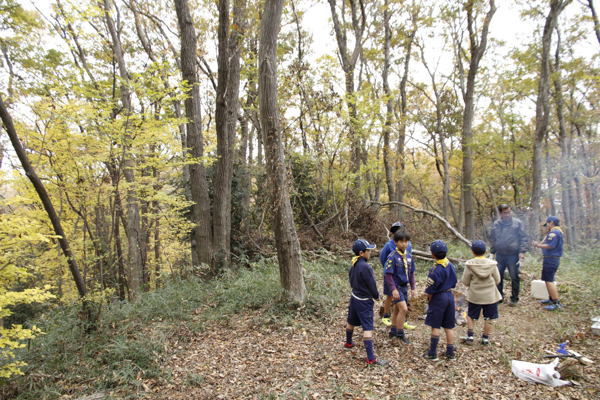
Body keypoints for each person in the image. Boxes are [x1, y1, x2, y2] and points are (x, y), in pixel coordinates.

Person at [344, 239, 389, 366]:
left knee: (351, 320)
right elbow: (372, 284)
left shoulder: (354, 263)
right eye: (368, 250)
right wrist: (376, 296)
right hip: (364, 300)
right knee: (368, 327)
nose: (370, 252)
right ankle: (371, 358)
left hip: (355, 296)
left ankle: (348, 342)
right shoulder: (366, 267)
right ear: (361, 253)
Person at [462, 240, 502, 345]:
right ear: (486, 251)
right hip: (490, 296)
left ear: (472, 252)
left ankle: (470, 336)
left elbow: (465, 282)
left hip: (475, 295)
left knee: (471, 315)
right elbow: (498, 280)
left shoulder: (470, 264)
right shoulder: (492, 264)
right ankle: (485, 338)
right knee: (489, 317)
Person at [423, 240, 458, 361]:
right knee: (449, 326)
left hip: (439, 298)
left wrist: (430, 301)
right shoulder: (451, 265)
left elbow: (430, 290)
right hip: (450, 296)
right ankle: (450, 352)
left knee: (435, 325)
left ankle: (432, 353)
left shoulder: (435, 270)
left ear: (432, 254)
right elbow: (455, 281)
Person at [490, 204, 529, 307]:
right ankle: (499, 297)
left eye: (509, 212)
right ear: (500, 213)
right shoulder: (496, 224)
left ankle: (514, 298)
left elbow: (523, 238)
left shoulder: (517, 223)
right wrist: (492, 253)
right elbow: (493, 239)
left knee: (514, 276)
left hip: (513, 255)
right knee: (498, 277)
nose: (508, 214)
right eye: (505, 213)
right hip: (500, 255)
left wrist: (522, 252)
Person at [380, 222, 416, 330]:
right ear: (393, 235)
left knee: (400, 305)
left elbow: (411, 266)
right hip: (391, 276)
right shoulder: (389, 246)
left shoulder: (408, 246)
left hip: (403, 278)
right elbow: (383, 258)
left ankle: (398, 324)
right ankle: (386, 316)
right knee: (389, 295)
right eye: (396, 232)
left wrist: (413, 286)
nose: (404, 243)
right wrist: (388, 268)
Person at [533, 216, 564, 311]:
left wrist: (538, 245)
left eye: (548, 224)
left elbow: (550, 246)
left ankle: (556, 302)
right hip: (550, 259)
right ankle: (551, 298)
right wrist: (547, 233)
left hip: (551, 259)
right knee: (547, 279)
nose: (547, 226)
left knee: (549, 280)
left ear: (552, 223)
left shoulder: (554, 232)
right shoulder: (555, 232)